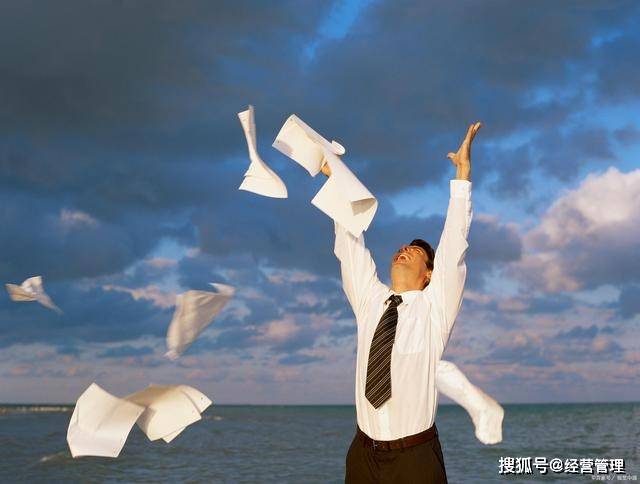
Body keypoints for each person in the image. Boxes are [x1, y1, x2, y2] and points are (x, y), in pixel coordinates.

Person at [323, 122, 482, 483]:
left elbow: (454, 246)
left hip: (415, 458)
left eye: (417, 251)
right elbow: (349, 245)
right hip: (363, 455)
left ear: (429, 274)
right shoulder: (370, 300)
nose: (405, 249)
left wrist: (462, 176)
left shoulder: (434, 308)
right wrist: (335, 179)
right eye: (403, 247)